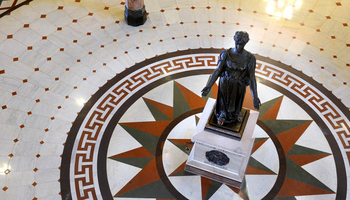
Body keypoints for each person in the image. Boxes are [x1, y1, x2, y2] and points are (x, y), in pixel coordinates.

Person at [202, 31, 261, 125]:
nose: (239, 46)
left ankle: (236, 113)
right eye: (237, 43)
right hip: (225, 83)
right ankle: (222, 114)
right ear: (234, 40)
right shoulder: (226, 54)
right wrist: (208, 86)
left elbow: (252, 77)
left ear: (246, 43)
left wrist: (255, 96)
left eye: (241, 44)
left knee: (238, 100)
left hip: (240, 84)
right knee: (223, 100)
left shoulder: (250, 58)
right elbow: (217, 70)